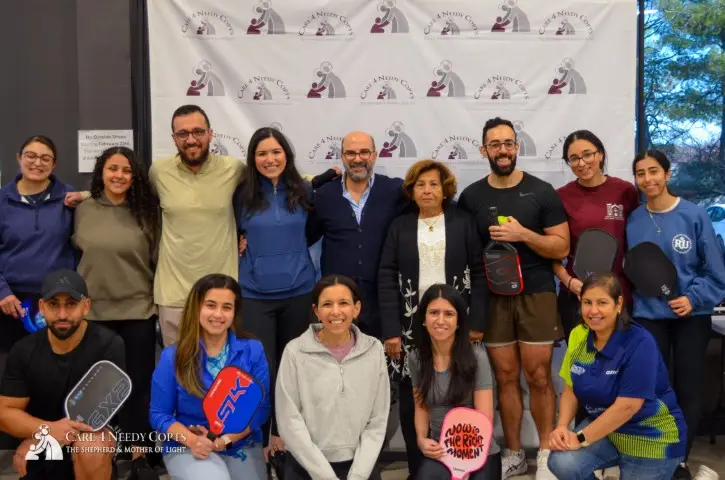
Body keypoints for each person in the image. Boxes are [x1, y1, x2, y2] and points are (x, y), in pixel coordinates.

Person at [458, 117, 569, 479]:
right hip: (493, 297)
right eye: (495, 144)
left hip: (537, 293)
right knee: (505, 376)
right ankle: (515, 453)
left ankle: (547, 453)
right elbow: (467, 253)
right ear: (484, 150)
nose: (503, 150)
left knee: (539, 376)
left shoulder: (542, 191)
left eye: (508, 143)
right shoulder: (471, 196)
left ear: (517, 147)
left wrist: (524, 235)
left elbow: (561, 246)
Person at [378, 159, 487, 477]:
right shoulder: (399, 226)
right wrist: (391, 330)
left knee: (458, 389)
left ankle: (462, 464)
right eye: (420, 185)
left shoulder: (463, 222)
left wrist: (477, 323)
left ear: (445, 189)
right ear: (411, 191)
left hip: (456, 322)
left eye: (434, 184)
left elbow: (479, 273)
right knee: (413, 396)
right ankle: (420, 467)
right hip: (410, 325)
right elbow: (386, 276)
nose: (427, 190)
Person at [233, 127, 335, 459]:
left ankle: (288, 441)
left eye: (276, 152)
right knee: (261, 372)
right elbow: (226, 231)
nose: (270, 159)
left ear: (286, 155)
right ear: (253, 159)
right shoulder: (241, 195)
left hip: (299, 292)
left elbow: (313, 231)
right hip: (255, 295)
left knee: (296, 371)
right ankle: (261, 443)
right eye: (262, 153)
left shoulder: (303, 191)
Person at [626, 149, 725, 479]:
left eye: (654, 171)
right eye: (641, 173)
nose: (648, 179)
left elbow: (716, 272)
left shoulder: (694, 215)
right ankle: (657, 457)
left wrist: (692, 298)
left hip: (691, 318)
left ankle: (680, 460)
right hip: (648, 316)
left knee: (688, 389)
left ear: (667, 174)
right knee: (654, 390)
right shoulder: (634, 220)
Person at [72, 146, 160, 479]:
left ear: (135, 176)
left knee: (137, 387)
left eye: (126, 170)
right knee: (97, 391)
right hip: (93, 314)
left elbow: (157, 259)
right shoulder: (83, 209)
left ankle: (139, 456)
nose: (119, 175)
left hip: (138, 310)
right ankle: (100, 457)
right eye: (113, 169)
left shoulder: (147, 212)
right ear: (102, 172)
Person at [547, 274, 686, 479]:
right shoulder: (579, 335)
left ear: (618, 304)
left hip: (650, 439)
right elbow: (571, 387)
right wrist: (561, 427)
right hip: (608, 433)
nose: (593, 311)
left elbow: (627, 407)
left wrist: (580, 438)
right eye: (587, 302)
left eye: (602, 303)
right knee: (562, 461)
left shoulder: (640, 342)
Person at [0, 269, 125, 480]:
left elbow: (94, 419)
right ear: (41, 307)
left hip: (90, 436)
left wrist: (45, 435)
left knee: (91, 447)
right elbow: (5, 413)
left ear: (86, 306)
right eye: (53, 304)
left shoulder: (109, 345)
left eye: (71, 304)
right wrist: (46, 431)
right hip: (43, 440)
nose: (62, 315)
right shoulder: (23, 350)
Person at [149, 273, 270, 480]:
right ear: (196, 308)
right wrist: (192, 440)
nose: (218, 314)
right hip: (187, 444)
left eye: (227, 307)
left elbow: (262, 408)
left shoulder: (253, 350)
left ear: (235, 312)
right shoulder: (172, 357)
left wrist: (225, 441)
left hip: (240, 443)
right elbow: (159, 414)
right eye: (211, 305)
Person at [276, 275, 390, 479]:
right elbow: (289, 421)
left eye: (343, 303)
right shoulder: (294, 352)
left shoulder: (374, 349)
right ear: (316, 311)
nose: (336, 312)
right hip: (306, 467)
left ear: (356, 308)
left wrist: (358, 475)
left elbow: (378, 420)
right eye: (327, 304)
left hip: (360, 468)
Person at [308, 130, 409, 340]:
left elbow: (431, 205)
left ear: (375, 155)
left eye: (364, 152)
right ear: (342, 156)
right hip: (337, 303)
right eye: (350, 153)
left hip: (381, 300)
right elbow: (304, 236)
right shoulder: (324, 195)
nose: (357, 159)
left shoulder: (394, 190)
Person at [410, 284, 501, 479]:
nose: (440, 320)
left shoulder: (477, 357)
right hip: (439, 450)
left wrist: (462, 465)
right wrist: (421, 439)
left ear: (459, 321)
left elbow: (484, 418)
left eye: (449, 314)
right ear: (424, 319)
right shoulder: (416, 358)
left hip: (478, 450)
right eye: (434, 312)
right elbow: (420, 406)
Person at [555, 130, 640, 336]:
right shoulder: (561, 197)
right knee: (582, 356)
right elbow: (552, 251)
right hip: (578, 295)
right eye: (574, 158)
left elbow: (636, 241)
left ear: (600, 154)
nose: (582, 163)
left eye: (587, 154)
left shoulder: (625, 191)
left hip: (617, 294)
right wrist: (569, 282)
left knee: (618, 355)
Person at [0, 136, 77, 355]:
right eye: (31, 156)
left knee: (56, 366)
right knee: (12, 366)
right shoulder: (2, 200)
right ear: (19, 158)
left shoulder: (69, 198)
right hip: (10, 303)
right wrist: (2, 292)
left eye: (45, 158)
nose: (37, 163)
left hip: (58, 301)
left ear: (54, 164)